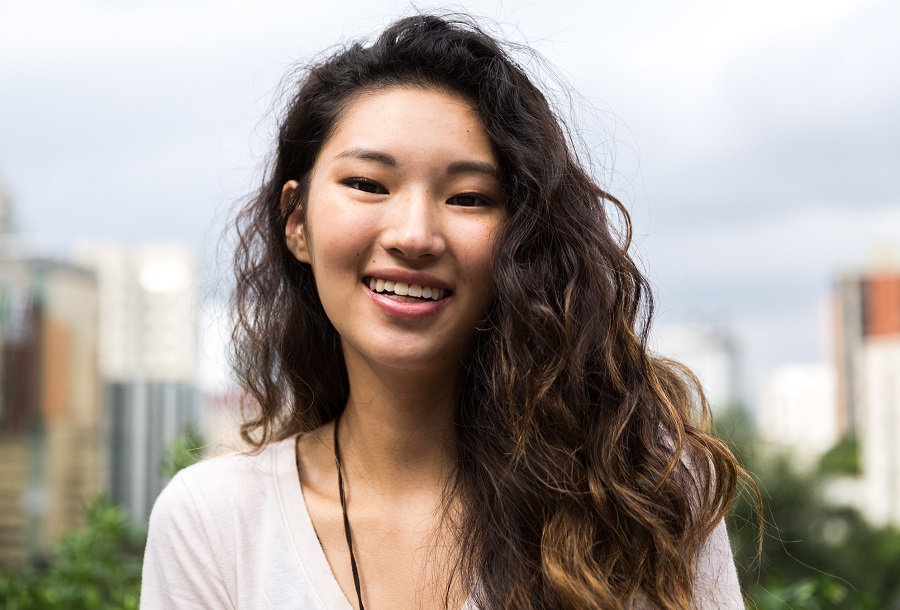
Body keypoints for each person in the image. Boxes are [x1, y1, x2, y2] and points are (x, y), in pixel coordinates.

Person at [141, 13, 751, 610]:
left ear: (522, 239)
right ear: (297, 222)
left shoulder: (643, 494)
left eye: (468, 198)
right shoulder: (214, 523)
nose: (414, 235)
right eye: (368, 185)